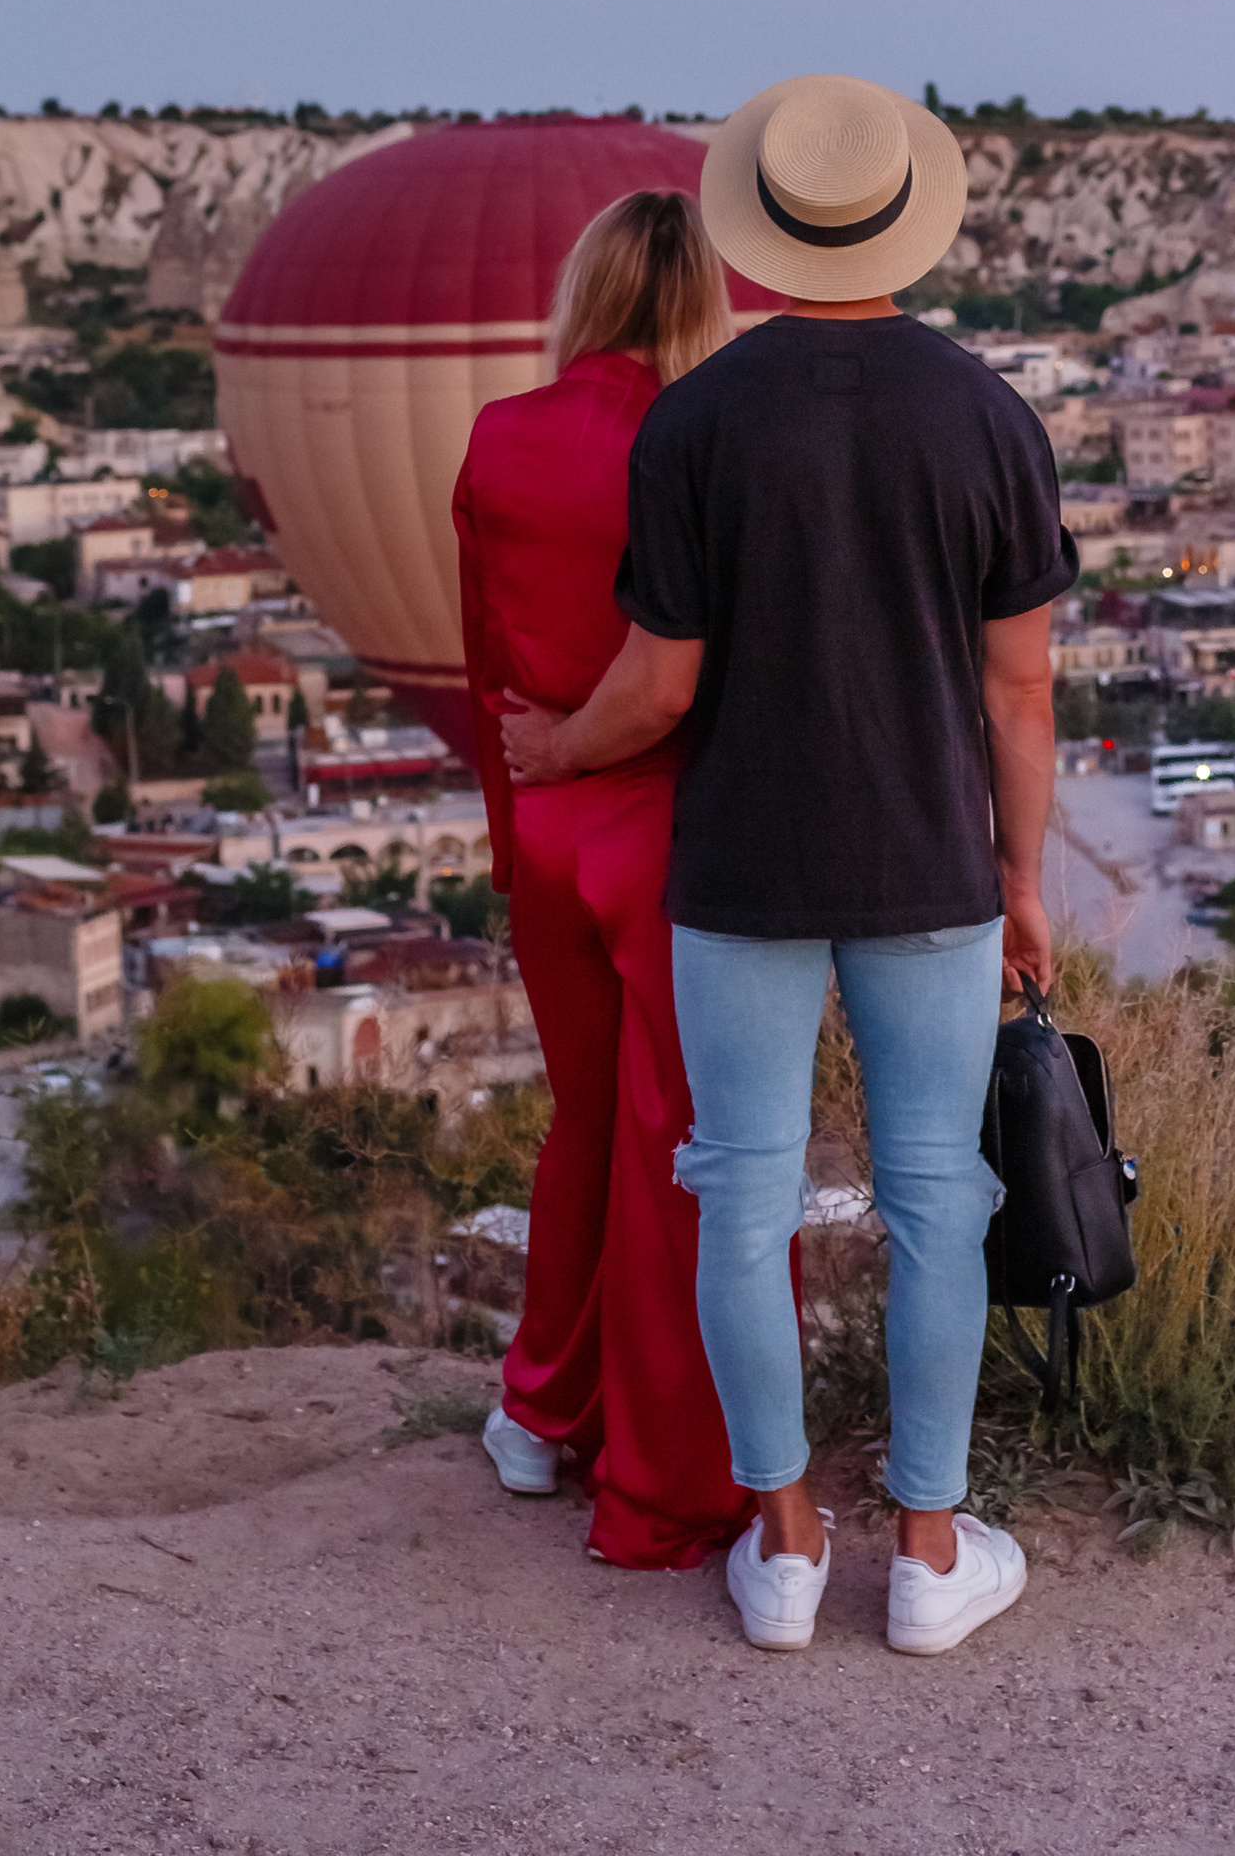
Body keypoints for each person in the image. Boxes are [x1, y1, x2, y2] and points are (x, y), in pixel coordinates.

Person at [498, 74, 1068, 1658]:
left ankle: (787, 1544)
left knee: (740, 1199)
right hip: (930, 863)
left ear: (764, 231)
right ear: (907, 217)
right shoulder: (987, 416)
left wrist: (554, 750)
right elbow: (1017, 690)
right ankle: (934, 1557)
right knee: (940, 1198)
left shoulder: (695, 421)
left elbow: (660, 685)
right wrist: (1024, 879)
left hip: (738, 868)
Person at [454, 185, 792, 1570]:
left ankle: (540, 1413)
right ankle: (661, 1486)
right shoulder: (708, 442)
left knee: (584, 1124)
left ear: (587, 292)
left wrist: (514, 826)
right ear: (705, 303)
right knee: (683, 1150)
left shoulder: (500, 439)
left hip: (543, 813)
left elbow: (486, 664)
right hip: (672, 831)